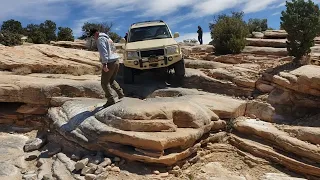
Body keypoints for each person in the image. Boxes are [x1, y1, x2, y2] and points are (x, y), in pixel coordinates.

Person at [89, 28, 125, 108]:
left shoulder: (100, 39)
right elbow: (113, 49)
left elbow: (103, 52)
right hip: (116, 61)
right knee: (111, 80)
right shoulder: (108, 38)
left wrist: (104, 64)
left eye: (93, 36)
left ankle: (110, 100)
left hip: (109, 62)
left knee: (104, 83)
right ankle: (121, 94)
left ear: (96, 33)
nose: (94, 38)